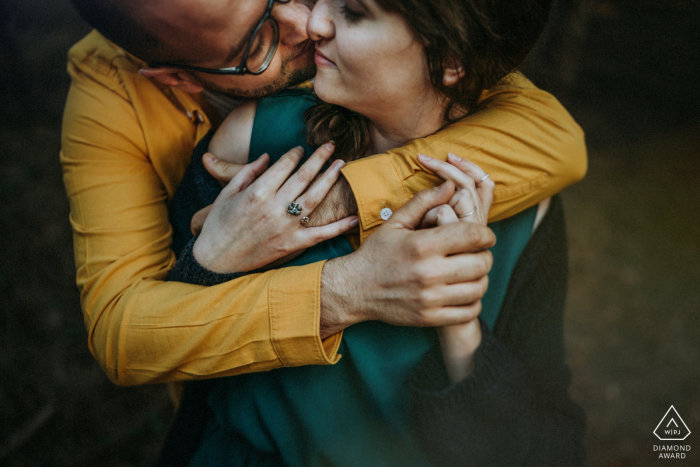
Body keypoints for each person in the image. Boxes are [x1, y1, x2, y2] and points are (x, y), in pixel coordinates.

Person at [61, 0, 586, 391]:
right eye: (259, 42)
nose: (306, 21)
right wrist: (346, 290)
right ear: (178, 77)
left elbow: (559, 140)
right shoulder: (115, 93)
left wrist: (337, 197)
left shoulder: (414, 48)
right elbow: (124, 332)